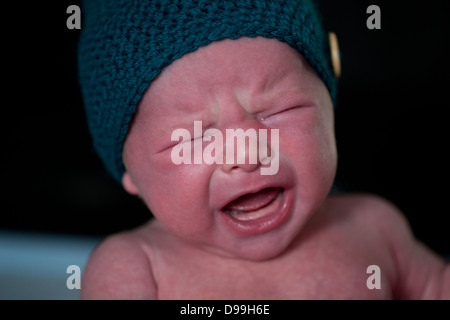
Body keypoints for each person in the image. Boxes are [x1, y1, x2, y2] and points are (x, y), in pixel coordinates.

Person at [78, 0, 449, 299]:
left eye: (278, 110)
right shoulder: (135, 268)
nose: (246, 153)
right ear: (128, 169)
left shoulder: (373, 227)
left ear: (327, 106)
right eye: (191, 137)